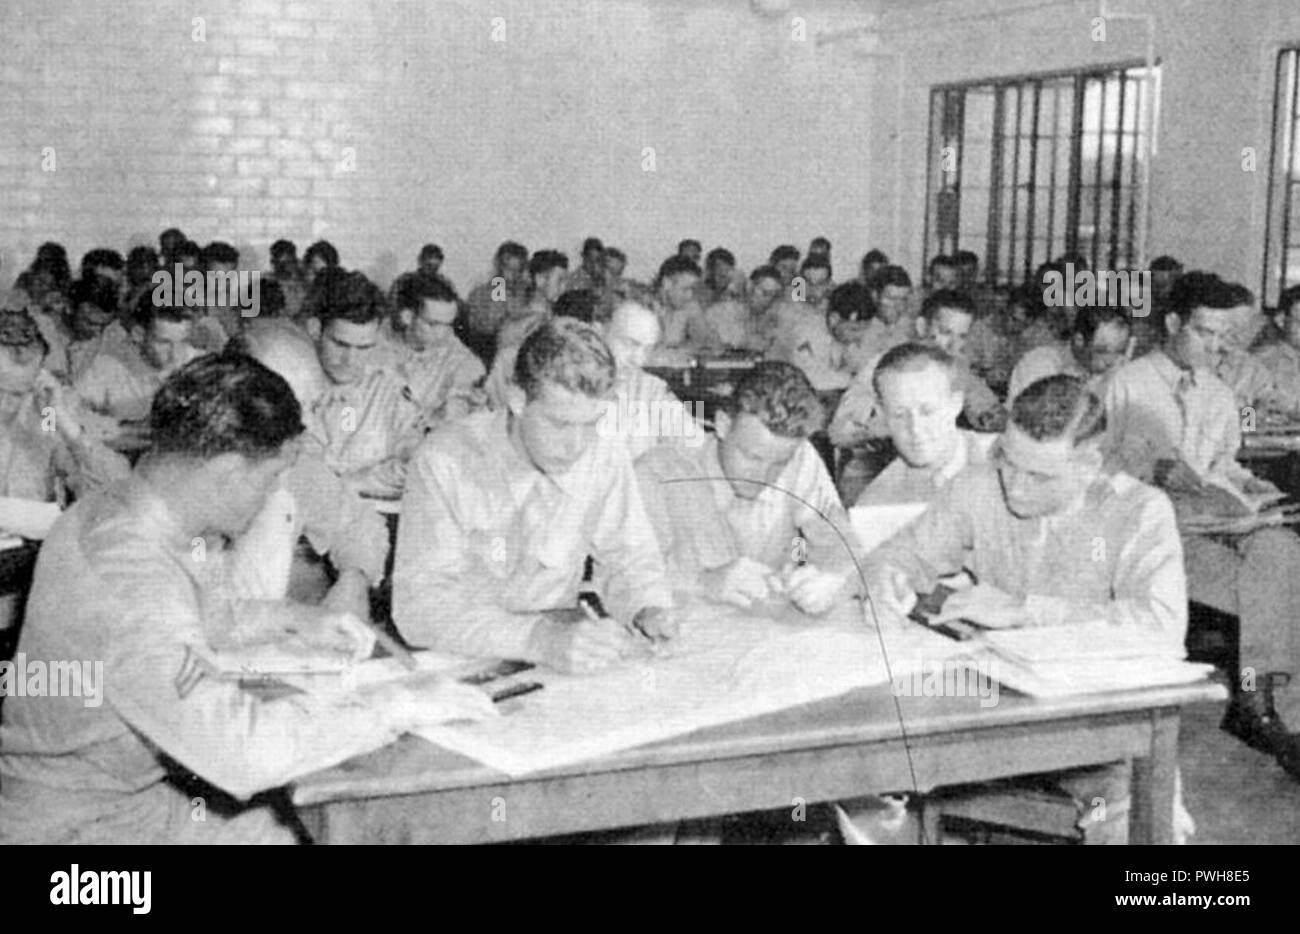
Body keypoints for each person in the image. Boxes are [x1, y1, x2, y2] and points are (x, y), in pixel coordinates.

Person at [0, 352, 494, 844]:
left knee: (298, 831)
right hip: (70, 839)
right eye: (271, 476)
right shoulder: (133, 584)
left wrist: (291, 619)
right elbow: (246, 752)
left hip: (116, 801)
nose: (275, 491)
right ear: (228, 469)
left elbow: (195, 619)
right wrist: (393, 708)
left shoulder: (112, 512)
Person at [861, 375, 1186, 843]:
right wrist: (887, 581)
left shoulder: (1138, 511)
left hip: (1095, 736)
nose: (1015, 485)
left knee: (1151, 829)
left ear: (1088, 464)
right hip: (982, 722)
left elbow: (1161, 627)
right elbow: (897, 556)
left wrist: (1023, 611)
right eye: (1008, 462)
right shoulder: (977, 486)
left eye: (1038, 475)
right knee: (867, 788)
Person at [392, 318, 676, 672]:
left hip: (559, 655)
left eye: (591, 423)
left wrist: (647, 607)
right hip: (461, 656)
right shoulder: (444, 461)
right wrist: (536, 639)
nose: (576, 445)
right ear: (517, 399)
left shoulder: (603, 452)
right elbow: (420, 607)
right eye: (559, 424)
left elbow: (630, 555)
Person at [1102, 273, 1300, 777]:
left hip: (1219, 520)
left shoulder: (1218, 392)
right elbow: (1100, 471)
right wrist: (1154, 472)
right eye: (1203, 333)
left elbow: (1225, 464)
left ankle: (1262, 704)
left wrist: (1256, 492)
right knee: (1274, 585)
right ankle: (1261, 706)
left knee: (1281, 547)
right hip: (1158, 531)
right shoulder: (1127, 383)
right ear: (1172, 323)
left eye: (1223, 337)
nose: (1215, 347)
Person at [636, 361, 853, 613]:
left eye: (778, 464)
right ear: (723, 425)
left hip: (769, 633)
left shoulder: (800, 457)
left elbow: (842, 545)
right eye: (751, 457)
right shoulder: (659, 473)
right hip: (684, 632)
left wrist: (833, 578)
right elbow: (623, 575)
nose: (762, 477)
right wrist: (701, 582)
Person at [228, 324, 389, 611]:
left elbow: (359, 522)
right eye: (290, 410)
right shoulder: (191, 468)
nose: (305, 427)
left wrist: (354, 579)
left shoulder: (296, 465)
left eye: (310, 407)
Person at [0, 305, 128, 540]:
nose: (5, 404)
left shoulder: (44, 413)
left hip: (26, 560)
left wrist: (64, 421)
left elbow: (114, 489)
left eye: (18, 393)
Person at [829, 290, 1004, 449]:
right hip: (875, 468)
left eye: (962, 336)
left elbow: (989, 413)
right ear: (922, 327)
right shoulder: (886, 365)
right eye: (945, 333)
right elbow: (839, 433)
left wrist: (992, 418)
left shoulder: (956, 367)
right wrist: (882, 427)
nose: (953, 345)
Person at [309, 272, 425, 500]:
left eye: (364, 348)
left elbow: (415, 463)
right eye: (340, 344)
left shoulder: (390, 389)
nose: (350, 361)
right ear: (315, 329)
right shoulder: (292, 380)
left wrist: (350, 485)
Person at [855, 343, 992, 507]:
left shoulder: (1010, 464)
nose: (915, 428)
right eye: (900, 414)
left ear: (956, 404)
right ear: (882, 414)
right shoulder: (875, 504)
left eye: (927, 411)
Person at [74, 302, 202, 431]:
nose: (175, 354)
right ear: (138, 334)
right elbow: (59, 409)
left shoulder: (201, 365)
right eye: (164, 343)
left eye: (183, 342)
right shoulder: (107, 367)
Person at [386, 274, 485, 426]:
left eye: (448, 324)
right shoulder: (372, 343)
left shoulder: (459, 356)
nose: (442, 333)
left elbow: (460, 405)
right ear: (407, 317)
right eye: (433, 324)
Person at [602, 300, 679, 460]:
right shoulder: (566, 389)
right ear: (600, 330)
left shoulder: (651, 389)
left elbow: (690, 445)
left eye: (648, 349)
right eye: (630, 344)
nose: (639, 360)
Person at [1006, 305, 1132, 402]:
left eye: (1119, 351)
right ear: (1079, 341)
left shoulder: (1114, 371)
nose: (1111, 361)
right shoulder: (1039, 364)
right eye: (1102, 351)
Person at [700, 264, 784, 354]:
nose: (769, 300)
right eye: (765, 293)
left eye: (774, 296)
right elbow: (735, 344)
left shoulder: (766, 317)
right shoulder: (722, 312)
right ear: (750, 287)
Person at [463, 240, 530, 346]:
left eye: (519, 270)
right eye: (510, 270)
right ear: (499, 267)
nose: (514, 275)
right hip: (488, 344)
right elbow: (492, 326)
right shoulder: (486, 291)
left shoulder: (525, 290)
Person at [652, 255, 710, 353]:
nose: (690, 295)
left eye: (693, 289)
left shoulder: (688, 306)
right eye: (686, 289)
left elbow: (706, 343)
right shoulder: (644, 310)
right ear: (667, 283)